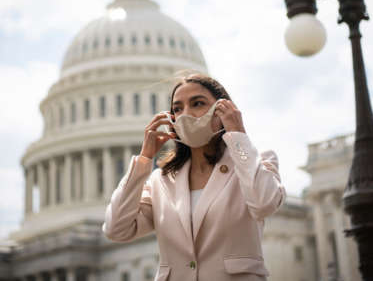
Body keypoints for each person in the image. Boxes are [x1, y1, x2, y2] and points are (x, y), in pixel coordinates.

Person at [102, 73, 286, 281]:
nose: (186, 114)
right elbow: (116, 229)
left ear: (222, 110)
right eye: (177, 109)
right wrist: (144, 160)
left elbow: (264, 204)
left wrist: (238, 135)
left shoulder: (254, 163)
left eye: (197, 104)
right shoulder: (160, 181)